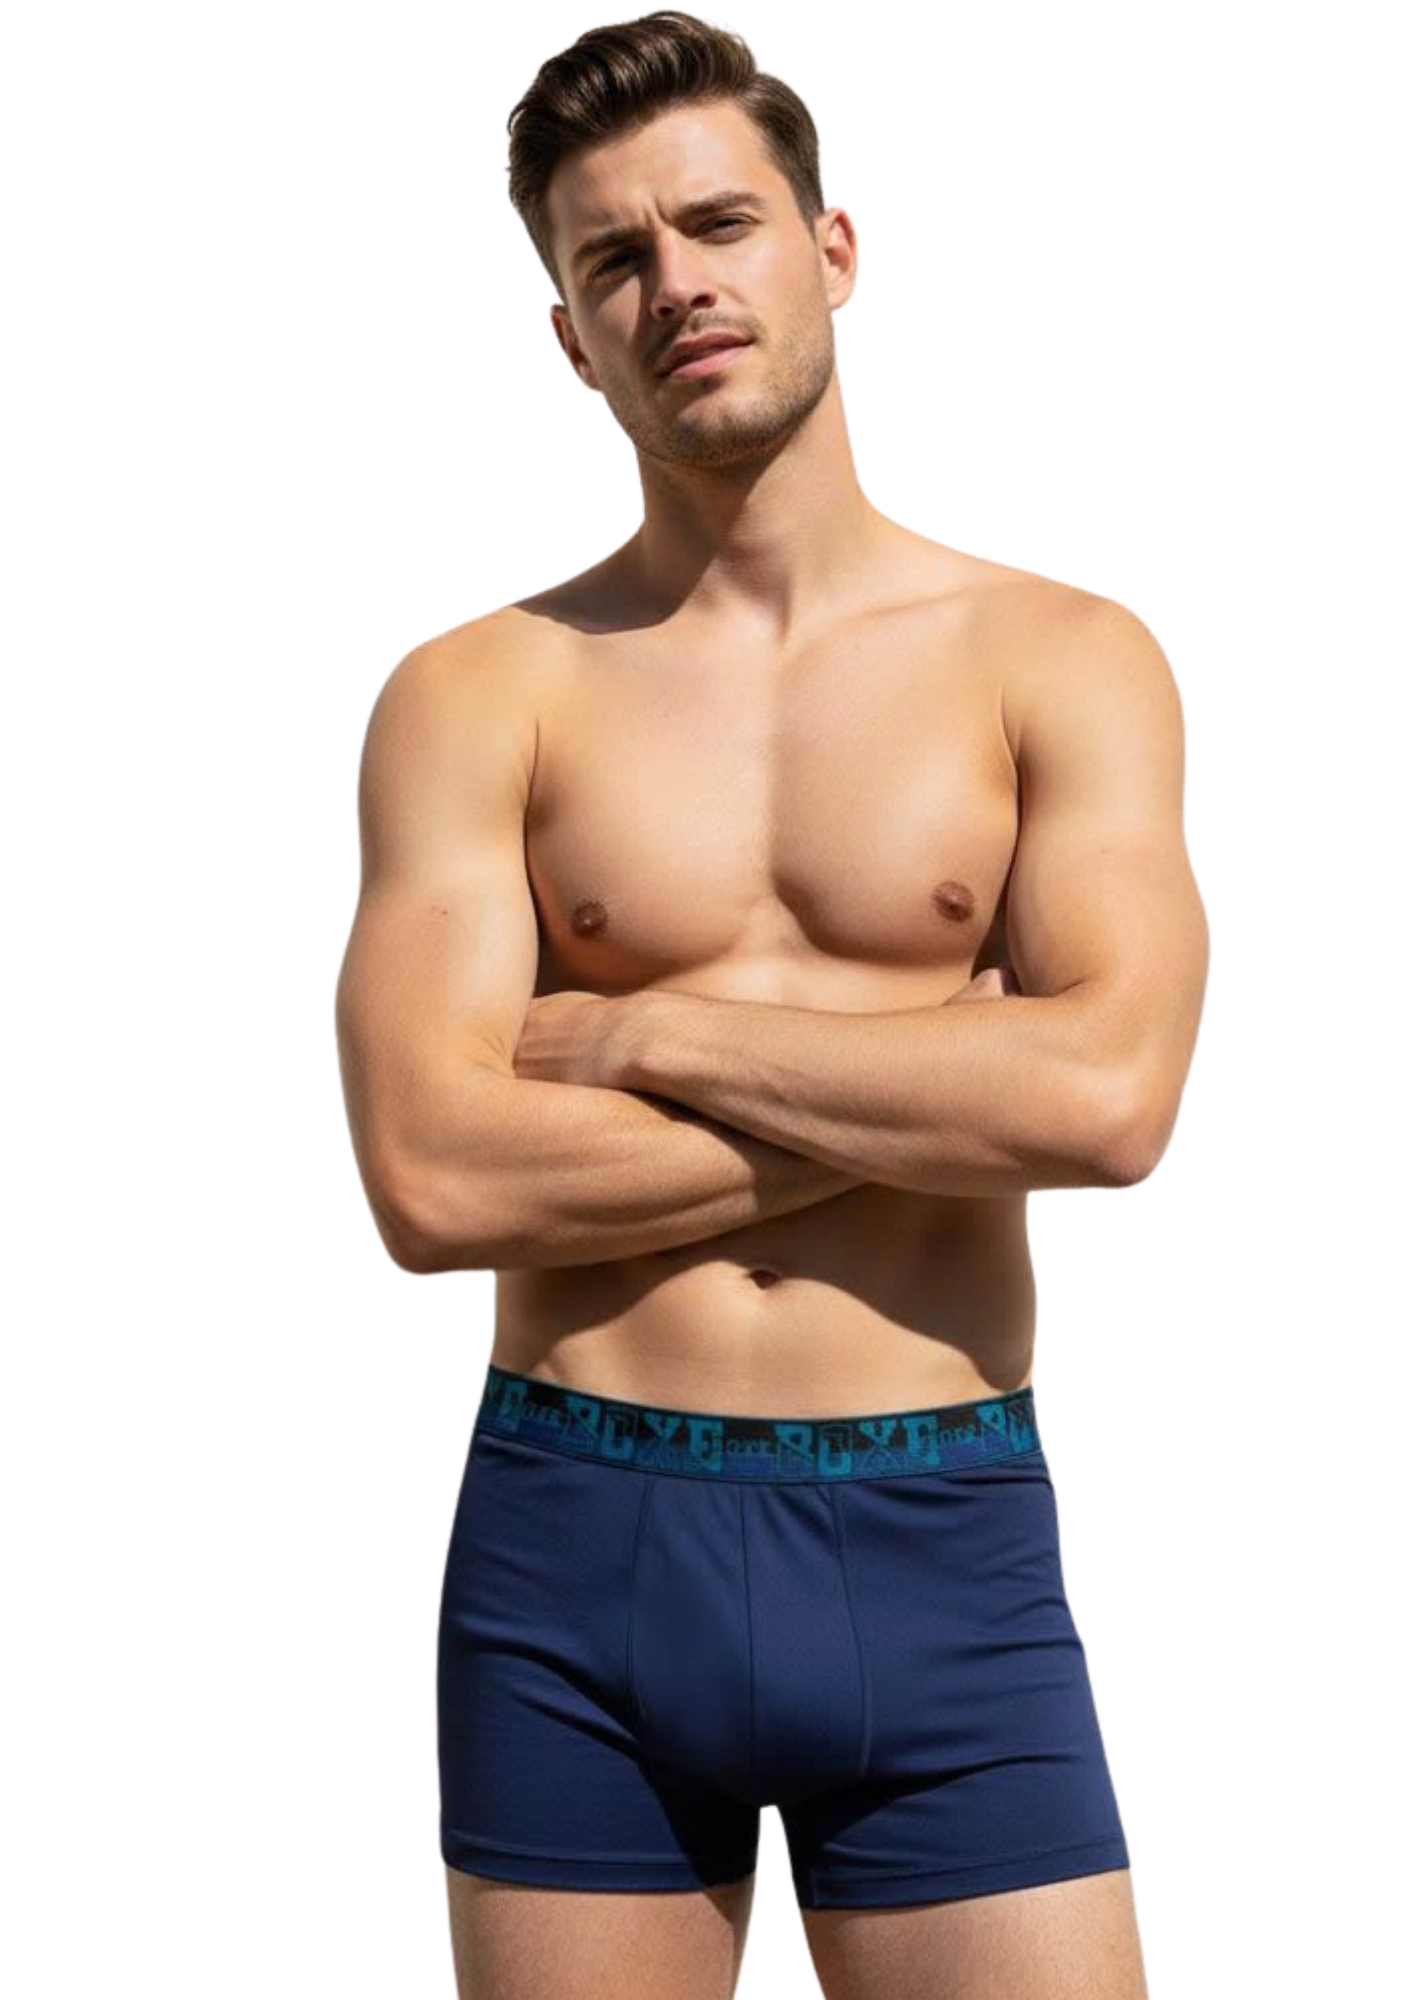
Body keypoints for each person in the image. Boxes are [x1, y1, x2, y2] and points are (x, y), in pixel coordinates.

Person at [334, 12, 1208, 1998]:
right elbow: (434, 1182)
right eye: (611, 258)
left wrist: (638, 1035)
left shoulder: (1058, 659)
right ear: (570, 336)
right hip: (575, 1545)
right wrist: (943, 1080)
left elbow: (1104, 1104)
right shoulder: (478, 693)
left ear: (829, 247)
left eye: (717, 224)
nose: (674, 283)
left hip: (942, 1539)